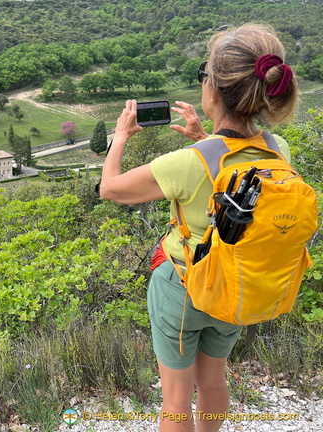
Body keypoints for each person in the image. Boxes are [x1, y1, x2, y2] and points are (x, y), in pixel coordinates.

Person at [100, 23, 298, 432]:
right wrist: (209, 138)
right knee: (213, 379)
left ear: (213, 89)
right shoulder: (279, 149)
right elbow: (233, 172)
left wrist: (119, 137)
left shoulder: (189, 161)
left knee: (175, 394)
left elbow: (110, 190)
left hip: (186, 286)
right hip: (237, 285)